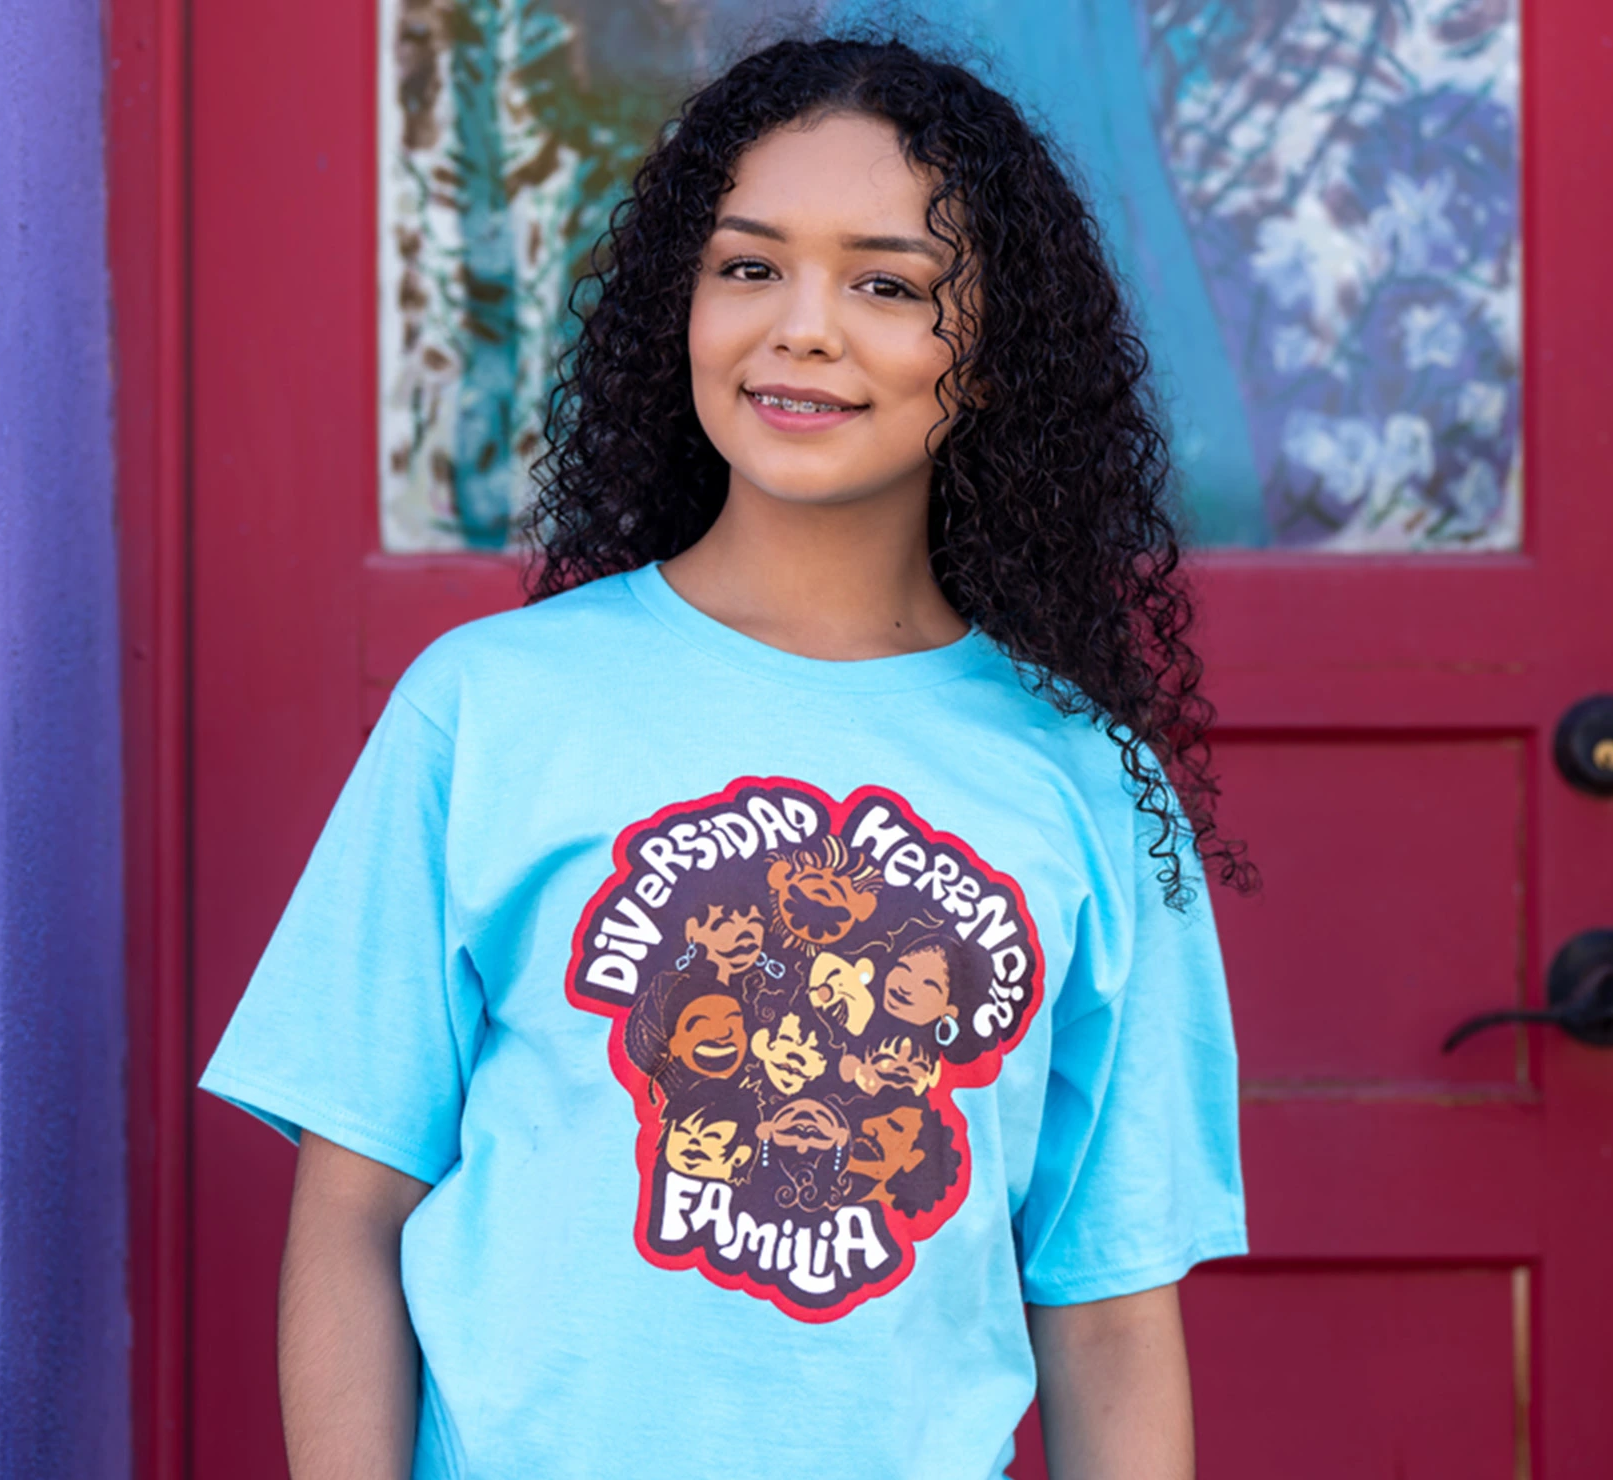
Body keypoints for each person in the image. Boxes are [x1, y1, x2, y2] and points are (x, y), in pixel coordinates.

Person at [198, 31, 1249, 1480]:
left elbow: (1110, 1322)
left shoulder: (1084, 789)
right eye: (748, 266)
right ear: (675, 306)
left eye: (887, 284)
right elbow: (353, 1211)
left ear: (996, 357)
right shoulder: (491, 709)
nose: (801, 327)